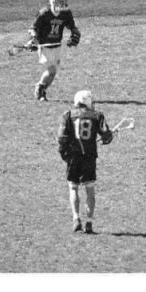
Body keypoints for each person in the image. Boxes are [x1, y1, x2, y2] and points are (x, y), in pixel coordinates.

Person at [57, 90, 114, 234]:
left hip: (73, 156)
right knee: (90, 189)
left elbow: (62, 137)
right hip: (89, 157)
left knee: (73, 187)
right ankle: (89, 222)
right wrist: (109, 136)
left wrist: (63, 153)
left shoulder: (68, 115)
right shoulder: (97, 116)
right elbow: (106, 136)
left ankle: (76, 218)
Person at [28, 0, 81, 101]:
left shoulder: (66, 13)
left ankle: (41, 90)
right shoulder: (44, 13)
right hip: (45, 46)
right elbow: (33, 28)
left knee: (53, 73)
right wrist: (33, 39)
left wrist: (75, 33)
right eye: (59, 2)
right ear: (52, 2)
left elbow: (72, 27)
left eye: (63, 2)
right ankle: (39, 87)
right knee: (51, 70)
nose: (62, 5)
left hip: (57, 45)